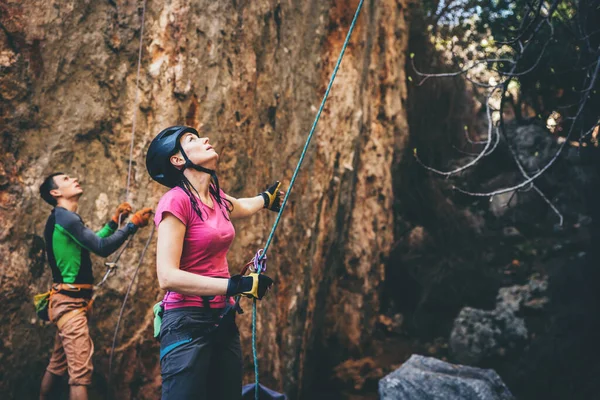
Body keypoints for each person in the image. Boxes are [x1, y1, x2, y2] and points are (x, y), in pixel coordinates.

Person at [146, 125, 281, 399]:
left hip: (222, 319)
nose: (205, 139)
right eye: (192, 140)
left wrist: (265, 199)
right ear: (177, 159)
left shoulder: (215, 198)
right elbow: (167, 277)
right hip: (186, 322)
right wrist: (236, 285)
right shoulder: (176, 201)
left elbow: (241, 206)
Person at [38, 172, 153, 400]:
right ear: (55, 193)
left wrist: (113, 223)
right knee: (80, 374)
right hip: (69, 305)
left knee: (57, 364)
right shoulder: (66, 218)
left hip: (66, 301)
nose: (74, 179)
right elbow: (101, 247)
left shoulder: (63, 218)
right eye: (67, 179)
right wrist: (131, 226)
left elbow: (93, 241)